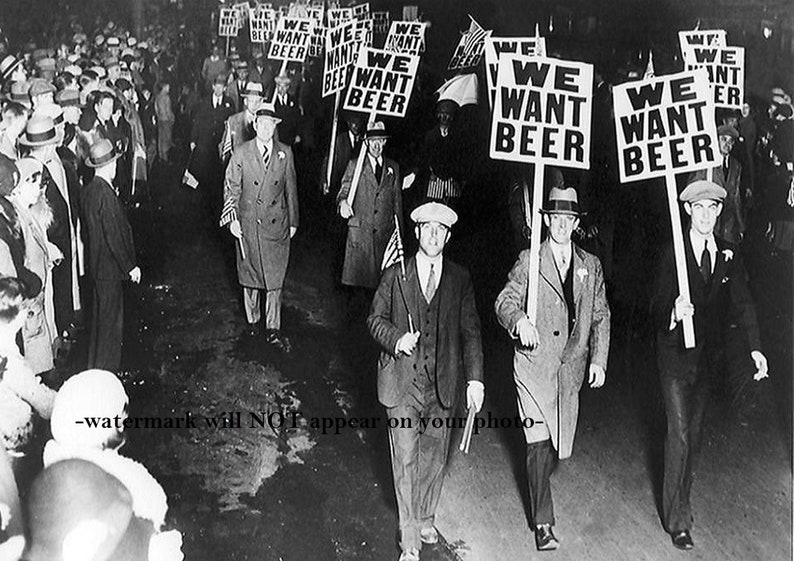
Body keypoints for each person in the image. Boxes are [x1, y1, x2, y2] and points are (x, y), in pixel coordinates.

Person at [650, 179, 768, 550]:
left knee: (695, 439)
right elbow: (651, 304)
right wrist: (672, 311)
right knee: (680, 434)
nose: (705, 215)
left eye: (711, 209)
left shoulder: (729, 254)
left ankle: (681, 501)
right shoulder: (673, 252)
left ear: (719, 213)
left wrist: (755, 348)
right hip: (673, 357)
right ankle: (678, 520)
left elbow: (743, 303)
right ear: (687, 211)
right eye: (698, 208)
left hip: (706, 362)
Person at [494, 186, 610, 551]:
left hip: (568, 371)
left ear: (576, 224)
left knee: (556, 446)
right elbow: (504, 300)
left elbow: (601, 315)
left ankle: (542, 505)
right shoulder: (529, 259)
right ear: (545, 220)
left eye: (568, 220)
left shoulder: (590, 266)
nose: (561, 225)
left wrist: (598, 359)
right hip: (532, 367)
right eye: (555, 218)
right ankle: (543, 522)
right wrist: (519, 322)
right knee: (538, 445)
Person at [367, 202, 484, 561]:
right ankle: (410, 541)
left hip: (442, 383)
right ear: (416, 232)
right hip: (402, 384)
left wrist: (475, 380)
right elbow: (374, 319)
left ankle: (427, 515)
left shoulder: (460, 278)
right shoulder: (395, 275)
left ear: (448, 236)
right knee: (405, 459)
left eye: (440, 230)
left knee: (434, 457)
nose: (433, 235)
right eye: (427, 228)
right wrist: (396, 339)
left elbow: (471, 331)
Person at [222, 105, 298, 351]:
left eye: (271, 124)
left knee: (275, 278)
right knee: (251, 277)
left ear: (275, 127)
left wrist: (294, 221)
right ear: (255, 125)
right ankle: (253, 321)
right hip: (248, 223)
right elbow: (231, 187)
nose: (266, 128)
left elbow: (291, 190)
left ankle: (273, 328)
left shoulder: (285, 153)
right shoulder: (241, 153)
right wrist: (231, 218)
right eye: (262, 123)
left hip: (277, 225)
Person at [81, 139, 140, 372]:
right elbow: (114, 236)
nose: (116, 166)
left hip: (97, 267)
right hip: (110, 269)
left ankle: (95, 369)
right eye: (115, 162)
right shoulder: (106, 194)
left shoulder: (89, 190)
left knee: (99, 324)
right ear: (109, 166)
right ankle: (107, 375)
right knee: (110, 327)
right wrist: (130, 267)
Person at [336, 121, 403, 293]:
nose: (376, 145)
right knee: (359, 294)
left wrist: (399, 236)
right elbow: (343, 191)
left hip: (384, 238)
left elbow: (397, 204)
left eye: (380, 140)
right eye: (373, 140)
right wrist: (342, 203)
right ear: (366, 142)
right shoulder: (355, 165)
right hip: (360, 238)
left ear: (385, 142)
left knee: (382, 291)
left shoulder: (393, 168)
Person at [688, 124, 745, 244]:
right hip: (707, 221)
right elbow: (692, 190)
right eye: (724, 139)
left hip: (728, 225)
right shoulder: (705, 163)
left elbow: (736, 197)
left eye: (731, 141)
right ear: (716, 140)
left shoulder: (736, 166)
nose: (727, 144)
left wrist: (740, 225)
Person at [219, 82, 264, 166]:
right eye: (251, 100)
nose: (254, 105)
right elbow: (225, 149)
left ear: (262, 103)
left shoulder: (266, 124)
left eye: (257, 101)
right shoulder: (233, 120)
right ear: (245, 101)